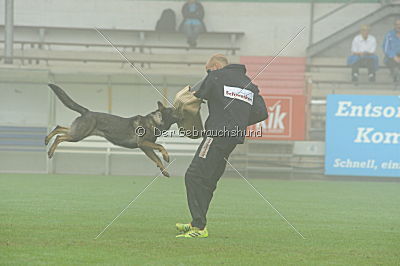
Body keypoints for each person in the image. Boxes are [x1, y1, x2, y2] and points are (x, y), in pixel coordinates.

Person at [176, 54, 268, 238]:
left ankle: (199, 228)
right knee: (208, 180)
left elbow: (192, 96)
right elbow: (261, 112)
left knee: (193, 175)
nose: (207, 74)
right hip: (232, 138)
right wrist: (239, 121)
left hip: (216, 134)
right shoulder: (249, 84)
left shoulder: (216, 76)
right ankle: (197, 223)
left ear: (216, 67)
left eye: (208, 70)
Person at [383, 18, 400, 82]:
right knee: (392, 63)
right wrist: (394, 56)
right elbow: (386, 48)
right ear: (394, 25)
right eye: (397, 24)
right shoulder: (389, 34)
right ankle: (395, 76)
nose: (399, 26)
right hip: (391, 56)